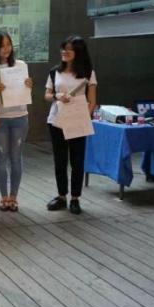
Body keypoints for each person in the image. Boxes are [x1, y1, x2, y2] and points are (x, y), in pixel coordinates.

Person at [44, 35, 97, 215]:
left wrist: (81, 118)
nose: (64, 52)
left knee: (77, 161)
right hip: (56, 121)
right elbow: (47, 95)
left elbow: (92, 102)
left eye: (69, 49)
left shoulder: (88, 73)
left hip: (77, 122)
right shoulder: (54, 72)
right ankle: (61, 196)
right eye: (63, 48)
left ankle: (75, 198)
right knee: (60, 161)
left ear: (78, 52)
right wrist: (57, 96)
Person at [0, 31, 33, 212]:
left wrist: (29, 85)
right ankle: (3, 197)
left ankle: (13, 196)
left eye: (8, 44)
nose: (6, 49)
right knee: (1, 156)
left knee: (16, 157)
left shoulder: (21, 65)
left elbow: (25, 92)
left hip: (20, 116)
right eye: (1, 45)